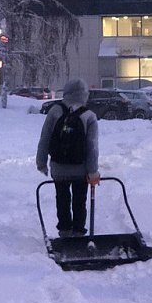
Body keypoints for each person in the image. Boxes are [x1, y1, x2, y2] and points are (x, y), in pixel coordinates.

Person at [36, 78, 100, 238]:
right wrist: (93, 171)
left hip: (59, 168)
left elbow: (45, 138)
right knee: (80, 201)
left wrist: (41, 162)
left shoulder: (55, 111)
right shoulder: (89, 116)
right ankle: (78, 232)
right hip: (81, 169)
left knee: (62, 200)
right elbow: (92, 146)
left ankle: (64, 231)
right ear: (85, 95)